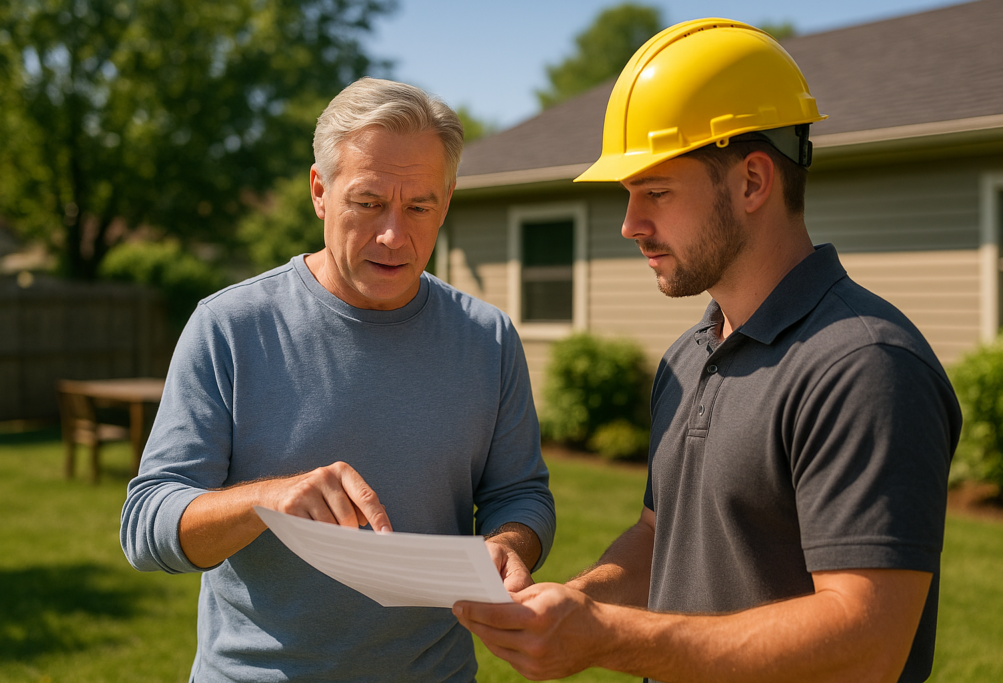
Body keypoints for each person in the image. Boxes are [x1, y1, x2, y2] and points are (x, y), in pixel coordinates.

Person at [454, 19, 960, 683]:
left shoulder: (863, 365)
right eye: (628, 195)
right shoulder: (688, 356)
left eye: (656, 192)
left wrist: (607, 635)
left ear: (752, 181)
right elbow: (659, 540)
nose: (631, 225)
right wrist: (572, 602)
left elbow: (867, 642)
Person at [121, 77, 555, 683]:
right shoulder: (229, 325)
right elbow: (146, 527)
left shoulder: (488, 338)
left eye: (420, 206)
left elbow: (521, 494)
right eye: (369, 202)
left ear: (448, 200)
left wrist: (511, 545)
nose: (393, 236)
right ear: (320, 191)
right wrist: (267, 501)